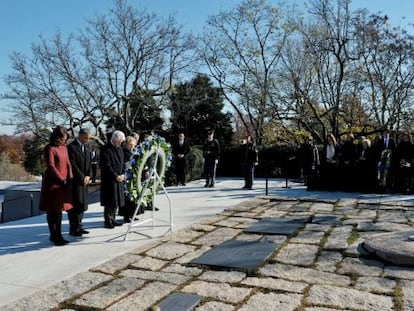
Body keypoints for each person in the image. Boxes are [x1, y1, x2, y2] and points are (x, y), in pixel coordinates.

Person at [39, 126, 73, 246]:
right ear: (57, 137)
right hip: (53, 183)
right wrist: (61, 179)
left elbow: (68, 163)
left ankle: (58, 234)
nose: (64, 141)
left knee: (59, 210)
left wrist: (70, 178)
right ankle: (54, 235)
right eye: (62, 138)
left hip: (63, 184)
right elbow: (51, 166)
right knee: (52, 211)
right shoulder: (50, 148)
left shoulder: (64, 148)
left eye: (65, 139)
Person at [67, 128, 92, 236]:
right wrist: (82, 177)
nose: (87, 140)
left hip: (85, 181)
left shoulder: (86, 147)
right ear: (80, 135)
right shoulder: (71, 147)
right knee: (75, 205)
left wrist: (88, 176)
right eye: (86, 138)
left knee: (82, 204)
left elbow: (89, 163)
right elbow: (73, 165)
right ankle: (74, 228)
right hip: (76, 181)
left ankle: (80, 226)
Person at [99, 130, 126, 228]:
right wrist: (115, 176)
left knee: (116, 201)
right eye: (119, 141)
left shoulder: (119, 149)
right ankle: (108, 220)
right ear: (114, 139)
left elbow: (123, 163)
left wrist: (123, 174)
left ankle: (113, 219)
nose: (120, 143)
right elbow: (106, 166)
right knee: (109, 201)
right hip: (109, 180)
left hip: (119, 179)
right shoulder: (105, 149)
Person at [120, 135, 143, 222]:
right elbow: (124, 164)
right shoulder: (123, 152)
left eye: (133, 145)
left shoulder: (132, 152)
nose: (132, 146)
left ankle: (132, 214)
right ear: (127, 144)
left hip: (133, 176)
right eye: (131, 144)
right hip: (127, 176)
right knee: (127, 197)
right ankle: (126, 215)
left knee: (133, 196)